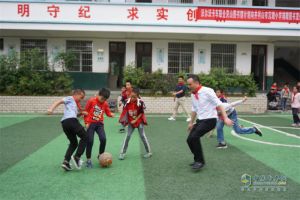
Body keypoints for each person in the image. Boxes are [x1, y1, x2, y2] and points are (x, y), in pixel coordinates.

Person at [186, 75, 234, 169]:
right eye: (187, 85)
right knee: (189, 139)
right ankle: (197, 159)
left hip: (210, 120)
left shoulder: (207, 91)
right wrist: (191, 122)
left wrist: (225, 117)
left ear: (196, 83)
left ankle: (200, 161)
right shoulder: (192, 94)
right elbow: (194, 109)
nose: (188, 86)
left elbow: (219, 104)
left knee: (194, 137)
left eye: (190, 84)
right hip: (201, 120)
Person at [47, 88, 89, 171]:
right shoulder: (70, 98)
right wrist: (51, 109)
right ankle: (77, 157)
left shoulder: (74, 103)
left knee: (73, 143)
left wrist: (81, 113)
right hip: (71, 121)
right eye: (81, 97)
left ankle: (66, 162)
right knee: (85, 136)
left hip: (65, 123)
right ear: (76, 94)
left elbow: (73, 114)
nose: (81, 100)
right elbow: (59, 101)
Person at [84, 88, 115, 168]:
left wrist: (111, 114)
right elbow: (86, 112)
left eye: (104, 99)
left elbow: (107, 112)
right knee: (90, 141)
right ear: (98, 94)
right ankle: (88, 160)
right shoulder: (91, 101)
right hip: (91, 123)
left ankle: (101, 155)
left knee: (103, 139)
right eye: (102, 98)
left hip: (99, 124)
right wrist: (86, 122)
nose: (102, 101)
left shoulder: (105, 104)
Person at [119, 88, 152, 160]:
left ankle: (149, 152)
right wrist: (125, 121)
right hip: (131, 122)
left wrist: (136, 120)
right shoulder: (126, 102)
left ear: (138, 96)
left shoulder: (140, 102)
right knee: (128, 135)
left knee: (142, 135)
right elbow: (125, 111)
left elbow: (141, 113)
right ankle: (122, 153)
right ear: (129, 95)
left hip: (139, 121)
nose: (133, 98)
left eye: (134, 97)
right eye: (131, 96)